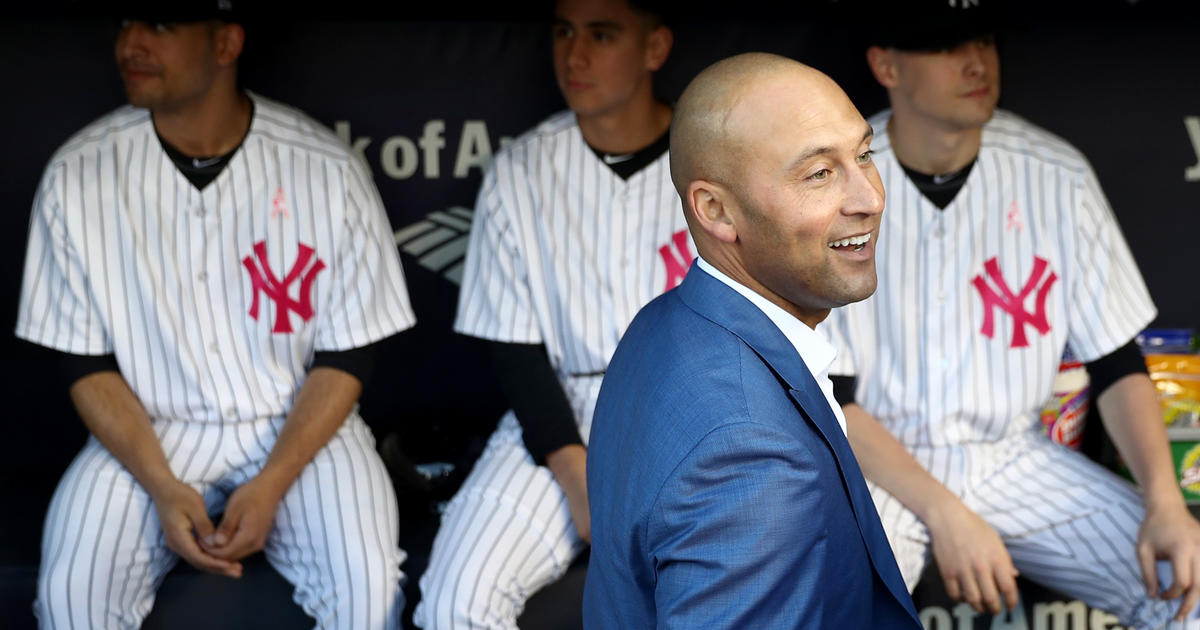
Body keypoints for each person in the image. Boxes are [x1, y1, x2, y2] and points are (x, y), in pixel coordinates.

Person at [16, 3, 415, 628]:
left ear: (225, 42)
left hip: (300, 426)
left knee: (367, 592)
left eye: (160, 25)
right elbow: (83, 362)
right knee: (72, 596)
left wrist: (273, 482)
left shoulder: (325, 167)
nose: (131, 43)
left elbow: (347, 355)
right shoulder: (77, 173)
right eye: (126, 23)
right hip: (147, 430)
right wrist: (161, 486)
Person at [821, 3, 1200, 626]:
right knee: (825, 609)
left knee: (1186, 581)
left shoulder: (1055, 172)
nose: (976, 62)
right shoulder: (833, 181)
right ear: (885, 64)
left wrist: (1165, 499)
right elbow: (829, 392)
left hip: (1014, 458)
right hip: (875, 468)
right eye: (945, 46)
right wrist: (945, 512)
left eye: (984, 40)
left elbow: (1114, 362)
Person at [583, 52, 922, 629]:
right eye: (819, 173)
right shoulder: (749, 456)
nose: (869, 197)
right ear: (715, 210)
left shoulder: (666, 322)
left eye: (864, 154)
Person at [412, 0, 681, 627]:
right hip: (558, 420)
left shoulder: (721, 158)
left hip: (693, 413)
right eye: (564, 32)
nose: (575, 54)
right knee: (456, 601)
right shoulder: (521, 169)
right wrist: (577, 474)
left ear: (655, 49)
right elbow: (514, 349)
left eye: (602, 34)